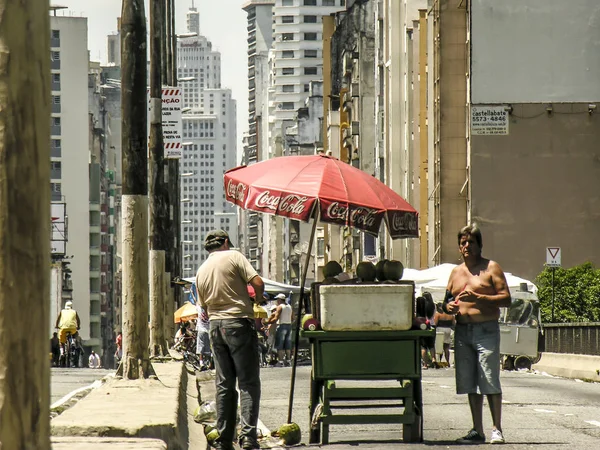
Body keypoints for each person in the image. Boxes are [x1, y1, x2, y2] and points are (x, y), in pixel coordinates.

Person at [195, 229, 264, 450]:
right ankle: (248, 437)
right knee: (248, 382)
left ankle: (224, 439)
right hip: (238, 323)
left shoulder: (201, 270)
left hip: (215, 327)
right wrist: (257, 302)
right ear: (225, 242)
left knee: (224, 384)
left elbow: (203, 306)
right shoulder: (234, 256)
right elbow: (258, 282)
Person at [444, 224, 511, 445]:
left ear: (480, 245)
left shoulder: (491, 268)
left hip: (486, 330)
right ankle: (477, 429)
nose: (467, 246)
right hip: (463, 331)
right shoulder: (455, 272)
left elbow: (506, 299)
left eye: (471, 242)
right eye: (463, 242)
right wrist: (449, 308)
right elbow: (446, 301)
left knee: (489, 379)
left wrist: (481, 299)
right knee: (470, 382)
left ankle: (497, 429)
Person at [266, 293, 293, 367]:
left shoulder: (280, 307)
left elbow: (276, 318)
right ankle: (288, 360)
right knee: (287, 344)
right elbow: (293, 318)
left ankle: (280, 361)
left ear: (280, 300)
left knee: (280, 344)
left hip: (281, 325)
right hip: (289, 325)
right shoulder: (289, 306)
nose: (277, 301)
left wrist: (267, 322)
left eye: (277, 299)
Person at [416, 293, 438, 369]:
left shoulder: (422, 305)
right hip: (432, 325)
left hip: (424, 325)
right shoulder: (434, 305)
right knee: (432, 345)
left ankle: (425, 364)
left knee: (423, 346)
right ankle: (433, 359)